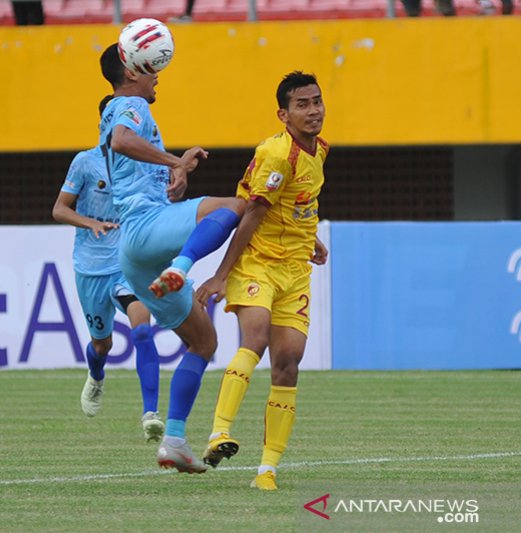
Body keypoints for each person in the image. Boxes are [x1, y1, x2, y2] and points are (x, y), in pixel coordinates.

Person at [99, 43, 245, 473]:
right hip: (147, 233)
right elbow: (121, 141)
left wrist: (172, 179)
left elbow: (129, 164)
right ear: (131, 71)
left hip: (137, 251)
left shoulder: (126, 107)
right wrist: (174, 160)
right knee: (234, 207)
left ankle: (175, 442)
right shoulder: (129, 104)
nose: (158, 74)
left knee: (204, 342)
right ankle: (182, 267)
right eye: (153, 68)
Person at [196, 71, 330, 491]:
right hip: (257, 264)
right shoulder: (276, 154)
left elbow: (297, 203)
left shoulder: (320, 149)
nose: (313, 110)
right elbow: (253, 213)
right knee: (253, 340)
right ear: (283, 114)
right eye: (302, 104)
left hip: (295, 272)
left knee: (288, 364)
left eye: (317, 101)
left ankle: (267, 470)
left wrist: (312, 238)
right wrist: (220, 275)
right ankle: (219, 432)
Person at [52, 95, 164, 443]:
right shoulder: (85, 163)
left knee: (142, 331)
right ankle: (96, 375)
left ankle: (150, 413)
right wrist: (90, 223)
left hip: (127, 264)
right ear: (106, 122)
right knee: (101, 345)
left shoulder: (142, 165)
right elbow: (59, 209)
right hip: (91, 268)